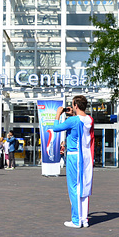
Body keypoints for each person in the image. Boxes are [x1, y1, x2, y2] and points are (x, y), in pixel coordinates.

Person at [49, 95, 94, 229]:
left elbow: (56, 128)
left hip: (75, 156)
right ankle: (84, 219)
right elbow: (80, 120)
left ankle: (76, 220)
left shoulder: (73, 120)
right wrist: (72, 113)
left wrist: (58, 114)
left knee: (74, 187)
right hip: (87, 156)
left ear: (75, 105)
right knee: (84, 187)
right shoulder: (89, 119)